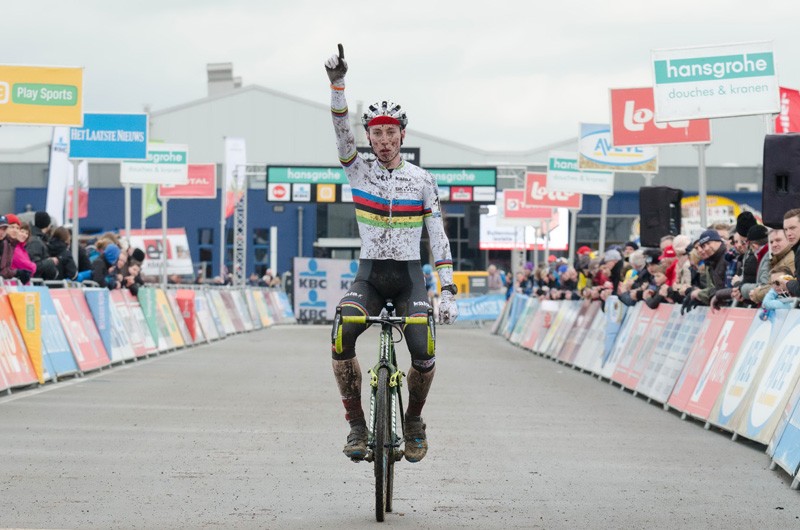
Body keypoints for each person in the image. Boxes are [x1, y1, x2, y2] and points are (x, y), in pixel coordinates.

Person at [325, 45, 458, 463]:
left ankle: (414, 421)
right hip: (369, 276)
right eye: (376, 134)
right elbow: (341, 129)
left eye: (390, 133)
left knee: (424, 350)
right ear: (369, 137)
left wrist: (448, 288)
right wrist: (337, 86)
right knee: (341, 333)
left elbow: (437, 236)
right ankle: (357, 427)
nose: (383, 141)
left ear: (403, 134)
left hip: (408, 278)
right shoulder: (357, 169)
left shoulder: (422, 181)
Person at [8, 218, 37, 283]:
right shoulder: (14, 248)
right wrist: (34, 266)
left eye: (27, 233)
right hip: (13, 285)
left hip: (21, 285)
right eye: (22, 231)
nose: (24, 235)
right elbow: (27, 266)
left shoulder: (22, 249)